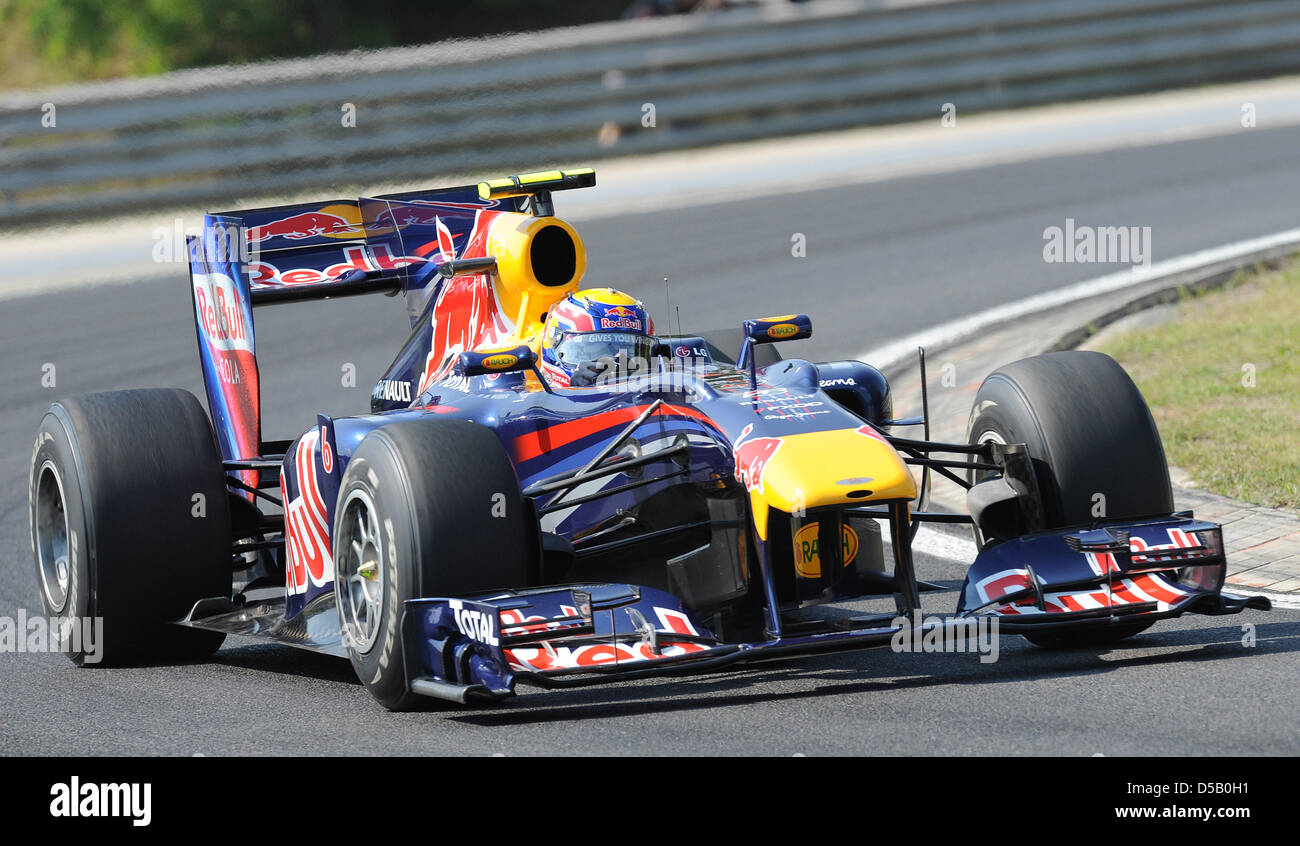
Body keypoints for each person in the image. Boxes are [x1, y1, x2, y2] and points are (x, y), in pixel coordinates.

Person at [539, 288, 656, 387]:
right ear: (555, 342)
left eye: (630, 352)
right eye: (596, 350)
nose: (615, 367)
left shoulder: (651, 400)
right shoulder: (530, 399)